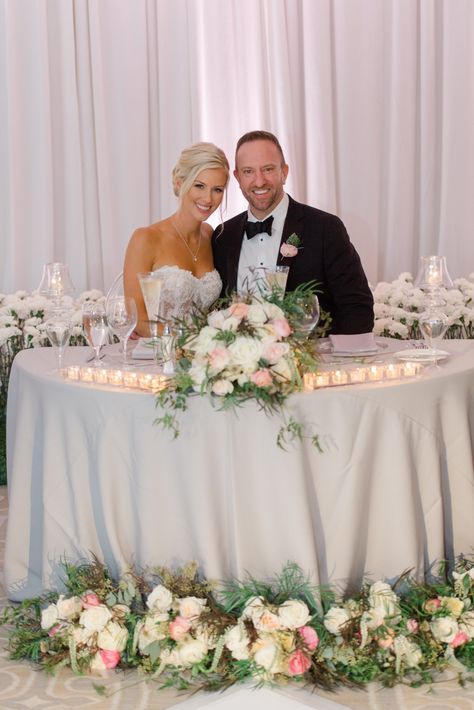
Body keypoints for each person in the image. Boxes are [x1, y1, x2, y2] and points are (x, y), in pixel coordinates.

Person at [212, 130, 374, 335]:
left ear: (284, 172)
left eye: (268, 169)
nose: (259, 181)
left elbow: (357, 308)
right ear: (237, 177)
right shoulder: (222, 236)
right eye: (248, 171)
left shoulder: (325, 228)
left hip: (313, 362)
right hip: (239, 363)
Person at [124, 142, 229, 336]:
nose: (208, 199)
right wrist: (192, 343)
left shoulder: (210, 235)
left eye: (217, 189)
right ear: (179, 182)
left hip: (204, 360)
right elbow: (136, 318)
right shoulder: (145, 238)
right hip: (157, 358)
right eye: (199, 186)